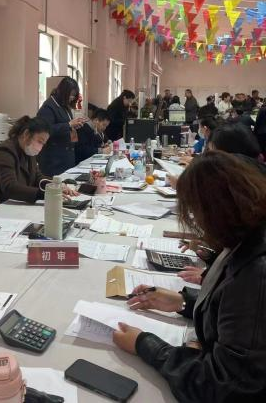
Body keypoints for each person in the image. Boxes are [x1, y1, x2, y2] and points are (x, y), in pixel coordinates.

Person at [113, 151, 266, 402]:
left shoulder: (256, 274)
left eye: (195, 213)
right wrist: (184, 302)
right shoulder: (247, 240)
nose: (196, 224)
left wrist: (146, 345)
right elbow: (238, 317)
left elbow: (220, 387)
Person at [0, 116, 50, 204]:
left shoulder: (27, 150)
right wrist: (45, 194)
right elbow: (10, 188)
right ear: (26, 134)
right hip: (0, 205)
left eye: (43, 144)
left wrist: (55, 186)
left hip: (16, 204)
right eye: (39, 141)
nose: (40, 148)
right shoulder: (4, 152)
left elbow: (37, 177)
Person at [37, 77, 87, 176]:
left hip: (66, 156)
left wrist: (74, 125)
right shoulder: (48, 107)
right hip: (54, 160)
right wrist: (69, 125)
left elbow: (66, 125)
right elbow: (45, 130)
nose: (72, 98)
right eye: (71, 95)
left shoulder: (64, 105)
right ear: (63, 92)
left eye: (74, 95)